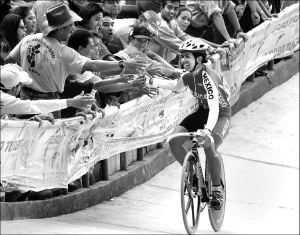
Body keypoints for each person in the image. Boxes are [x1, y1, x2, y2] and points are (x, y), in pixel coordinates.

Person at [5, 3, 148, 118]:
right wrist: (122, 64)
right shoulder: (64, 53)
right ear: (60, 29)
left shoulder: (28, 39)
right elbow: (93, 65)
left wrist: (21, 79)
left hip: (24, 99)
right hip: (49, 103)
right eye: (69, 26)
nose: (71, 29)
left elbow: (9, 61)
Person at [150, 38, 231, 210]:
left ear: (199, 59)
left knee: (209, 145)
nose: (183, 60)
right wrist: (150, 82)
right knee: (174, 140)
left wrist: (207, 130)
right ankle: (193, 176)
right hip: (203, 112)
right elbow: (175, 86)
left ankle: (217, 190)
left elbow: (215, 109)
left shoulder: (208, 77)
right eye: (182, 56)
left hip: (220, 116)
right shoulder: (188, 75)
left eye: (187, 56)